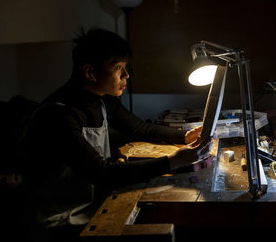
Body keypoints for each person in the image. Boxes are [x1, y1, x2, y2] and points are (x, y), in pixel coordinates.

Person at [22, 28, 211, 241]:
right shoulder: (58, 115)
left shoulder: (102, 100)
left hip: (92, 203)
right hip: (59, 219)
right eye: (118, 68)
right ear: (91, 72)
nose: (126, 75)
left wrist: (184, 137)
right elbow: (101, 172)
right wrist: (172, 162)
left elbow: (141, 129)